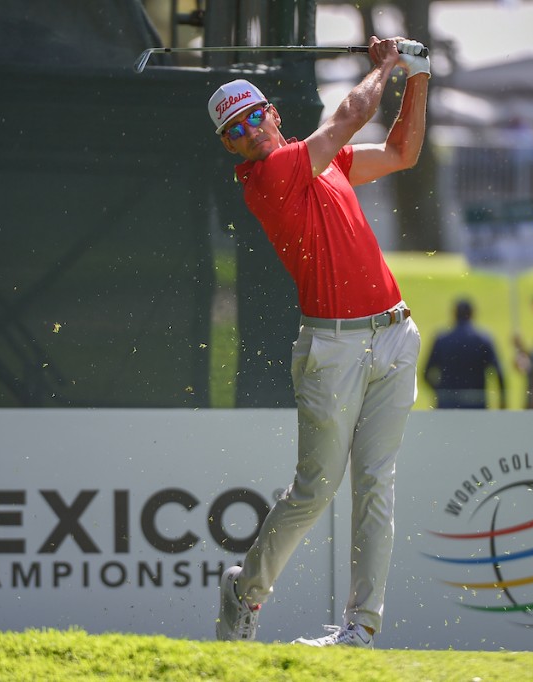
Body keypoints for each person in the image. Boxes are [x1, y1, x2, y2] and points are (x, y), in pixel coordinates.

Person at [207, 36, 429, 648]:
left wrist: (419, 76)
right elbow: (352, 114)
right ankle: (244, 592)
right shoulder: (270, 175)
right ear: (231, 148)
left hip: (394, 336)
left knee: (376, 484)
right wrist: (386, 62)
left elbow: (402, 151)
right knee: (315, 491)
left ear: (272, 112)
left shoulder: (324, 163)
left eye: (254, 117)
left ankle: (360, 628)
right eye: (235, 132)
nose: (249, 133)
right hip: (332, 350)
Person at [424, 298, 506, 409]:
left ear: (454, 314)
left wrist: (440, 392)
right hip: (476, 405)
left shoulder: (441, 339)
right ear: (472, 313)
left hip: (447, 406)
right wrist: (503, 402)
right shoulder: (483, 339)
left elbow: (425, 374)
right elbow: (499, 374)